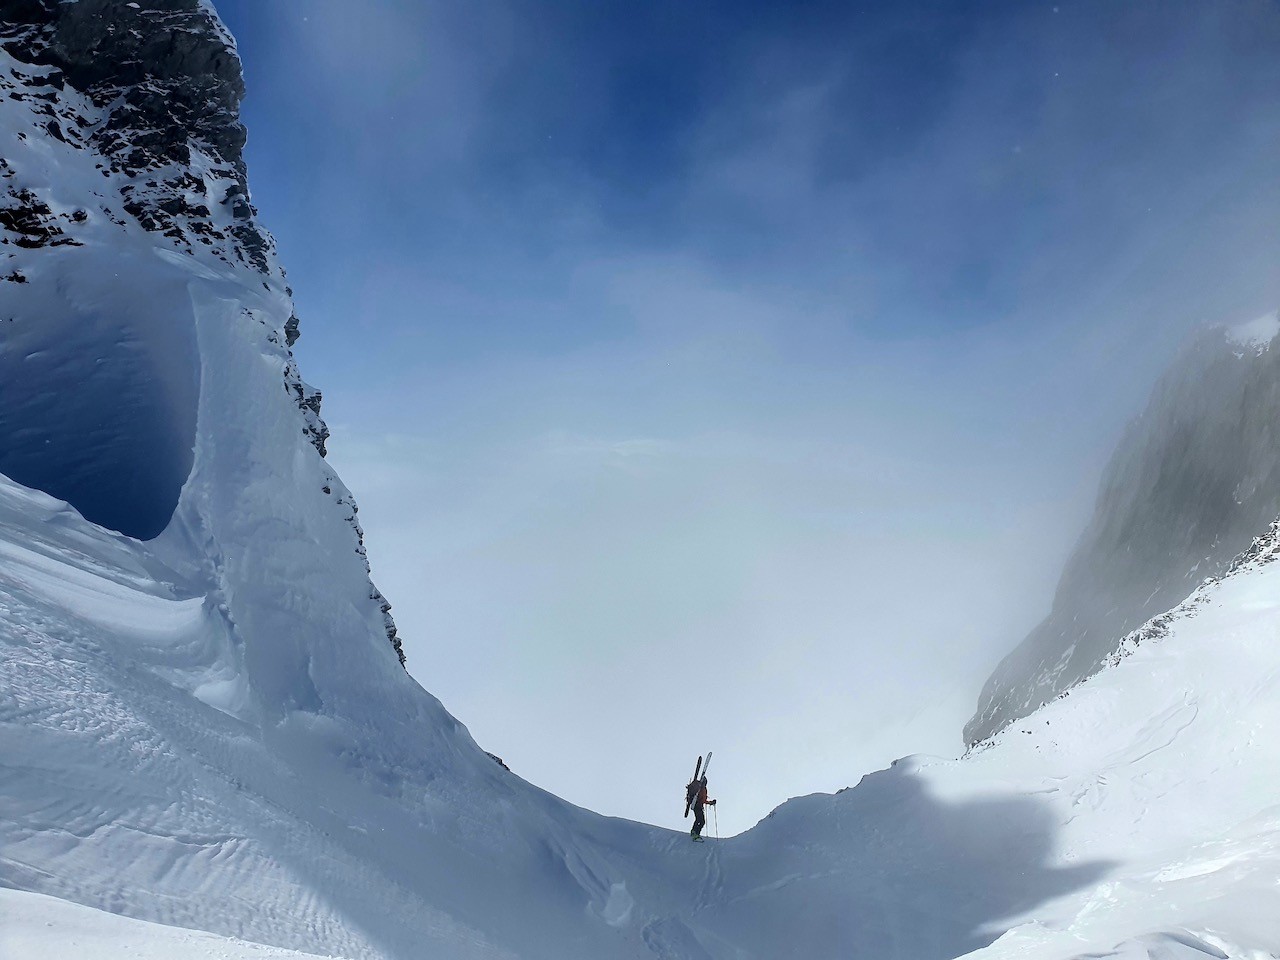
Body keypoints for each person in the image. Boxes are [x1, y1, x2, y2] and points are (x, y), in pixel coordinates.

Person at [689, 776, 716, 841]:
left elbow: (702, 799)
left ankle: (694, 832)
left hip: (695, 805)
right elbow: (703, 800)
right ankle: (696, 834)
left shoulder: (699, 788)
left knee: (698, 819)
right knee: (701, 821)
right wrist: (710, 802)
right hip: (698, 806)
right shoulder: (703, 789)